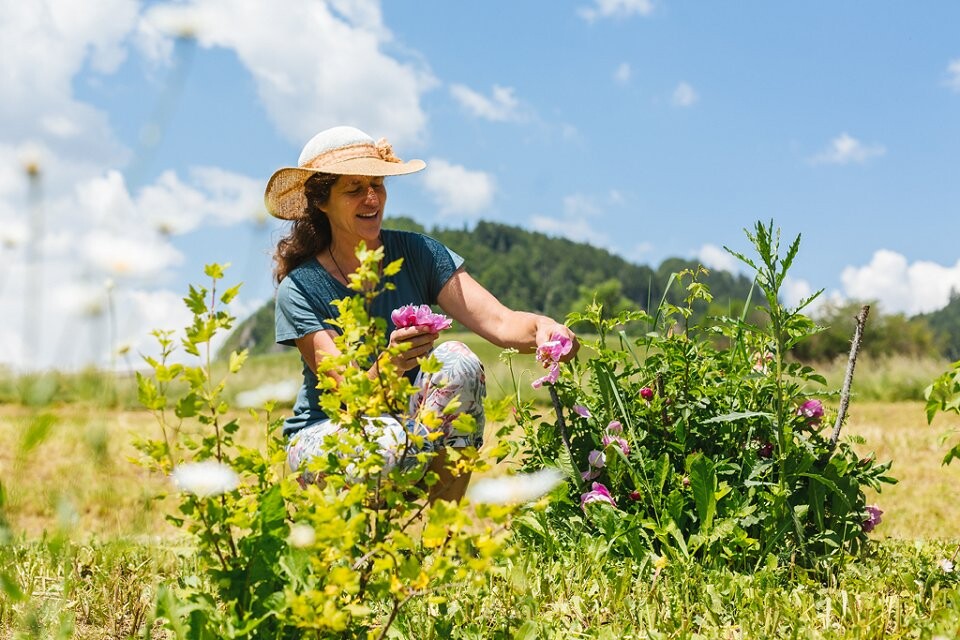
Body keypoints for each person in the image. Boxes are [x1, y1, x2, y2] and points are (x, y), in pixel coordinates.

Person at [265, 125, 578, 503]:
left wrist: (545, 330)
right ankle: (362, 550)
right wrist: (391, 363)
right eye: (353, 189)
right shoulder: (300, 288)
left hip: (407, 427)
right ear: (321, 201)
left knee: (458, 361)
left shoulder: (419, 254)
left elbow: (500, 321)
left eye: (378, 184)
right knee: (385, 441)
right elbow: (349, 398)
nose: (371, 198)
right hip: (331, 431)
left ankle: (442, 541)